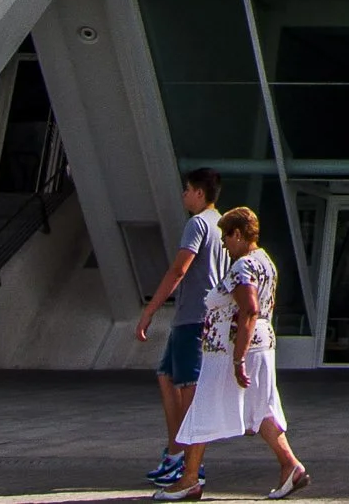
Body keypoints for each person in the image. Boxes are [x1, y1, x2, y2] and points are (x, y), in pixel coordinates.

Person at [156, 206, 308, 501]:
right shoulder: (266, 261)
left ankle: (189, 480)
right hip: (261, 346)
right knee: (262, 409)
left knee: (202, 408)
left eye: (226, 237)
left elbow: (249, 309)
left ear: (238, 234)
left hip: (231, 351)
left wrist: (238, 358)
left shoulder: (243, 266)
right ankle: (291, 466)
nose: (224, 244)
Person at [134, 170, 225, 493]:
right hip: (195, 318)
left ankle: (191, 466)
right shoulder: (222, 226)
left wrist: (149, 310)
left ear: (200, 193)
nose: (184, 195)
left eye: (187, 190)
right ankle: (176, 452)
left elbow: (179, 268)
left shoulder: (198, 224)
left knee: (188, 388)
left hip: (194, 318)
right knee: (166, 376)